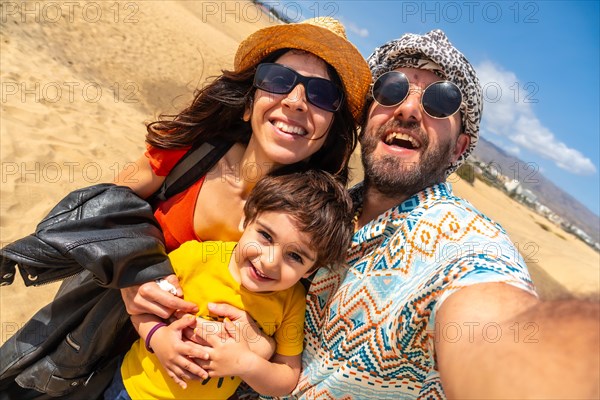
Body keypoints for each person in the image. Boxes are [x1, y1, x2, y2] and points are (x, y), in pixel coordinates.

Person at [0, 17, 371, 400]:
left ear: (332, 128)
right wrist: (132, 278)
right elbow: (108, 204)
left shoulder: (319, 223)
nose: (295, 101)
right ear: (249, 104)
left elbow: (291, 344)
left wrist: (256, 345)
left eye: (322, 95)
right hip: (96, 336)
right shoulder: (191, 149)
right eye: (278, 80)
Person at [103, 169, 353, 400]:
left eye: (295, 256)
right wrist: (159, 339)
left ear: (310, 270)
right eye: (265, 236)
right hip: (134, 389)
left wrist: (246, 364)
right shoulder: (196, 257)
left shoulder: (292, 301)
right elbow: (139, 308)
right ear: (246, 221)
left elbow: (287, 377)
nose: (269, 262)